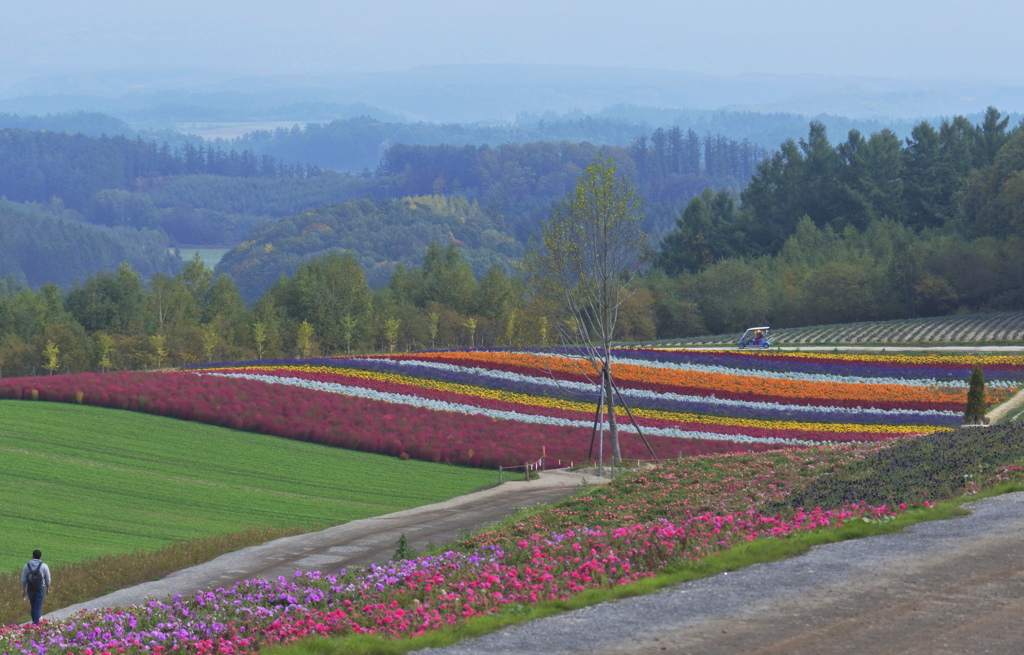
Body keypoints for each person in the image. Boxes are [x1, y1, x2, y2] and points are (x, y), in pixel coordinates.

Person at [21, 549, 52, 624]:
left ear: (32, 556)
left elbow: (23, 579)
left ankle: (34, 622)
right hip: (40, 588)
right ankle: (36, 624)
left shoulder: (26, 566)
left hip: (30, 589)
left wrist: (23, 591)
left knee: (33, 606)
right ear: (40, 557)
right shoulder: (44, 566)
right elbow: (48, 579)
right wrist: (48, 588)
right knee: (37, 607)